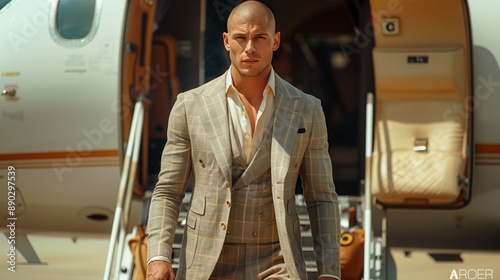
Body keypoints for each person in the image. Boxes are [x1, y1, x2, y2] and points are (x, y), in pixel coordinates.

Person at [146, 1, 340, 279]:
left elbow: (321, 197)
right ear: (227, 41)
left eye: (259, 37)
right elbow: (168, 190)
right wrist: (158, 256)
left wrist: (329, 271)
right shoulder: (189, 106)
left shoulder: (307, 109)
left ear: (275, 41)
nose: (249, 47)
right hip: (205, 258)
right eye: (241, 37)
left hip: (278, 258)